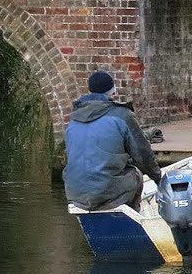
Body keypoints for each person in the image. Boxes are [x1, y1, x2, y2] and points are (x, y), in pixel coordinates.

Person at [63, 70, 162, 211]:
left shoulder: (73, 119)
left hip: (74, 193)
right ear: (113, 92)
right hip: (106, 193)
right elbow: (143, 156)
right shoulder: (123, 115)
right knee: (136, 174)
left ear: (90, 91)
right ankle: (134, 215)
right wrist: (158, 179)